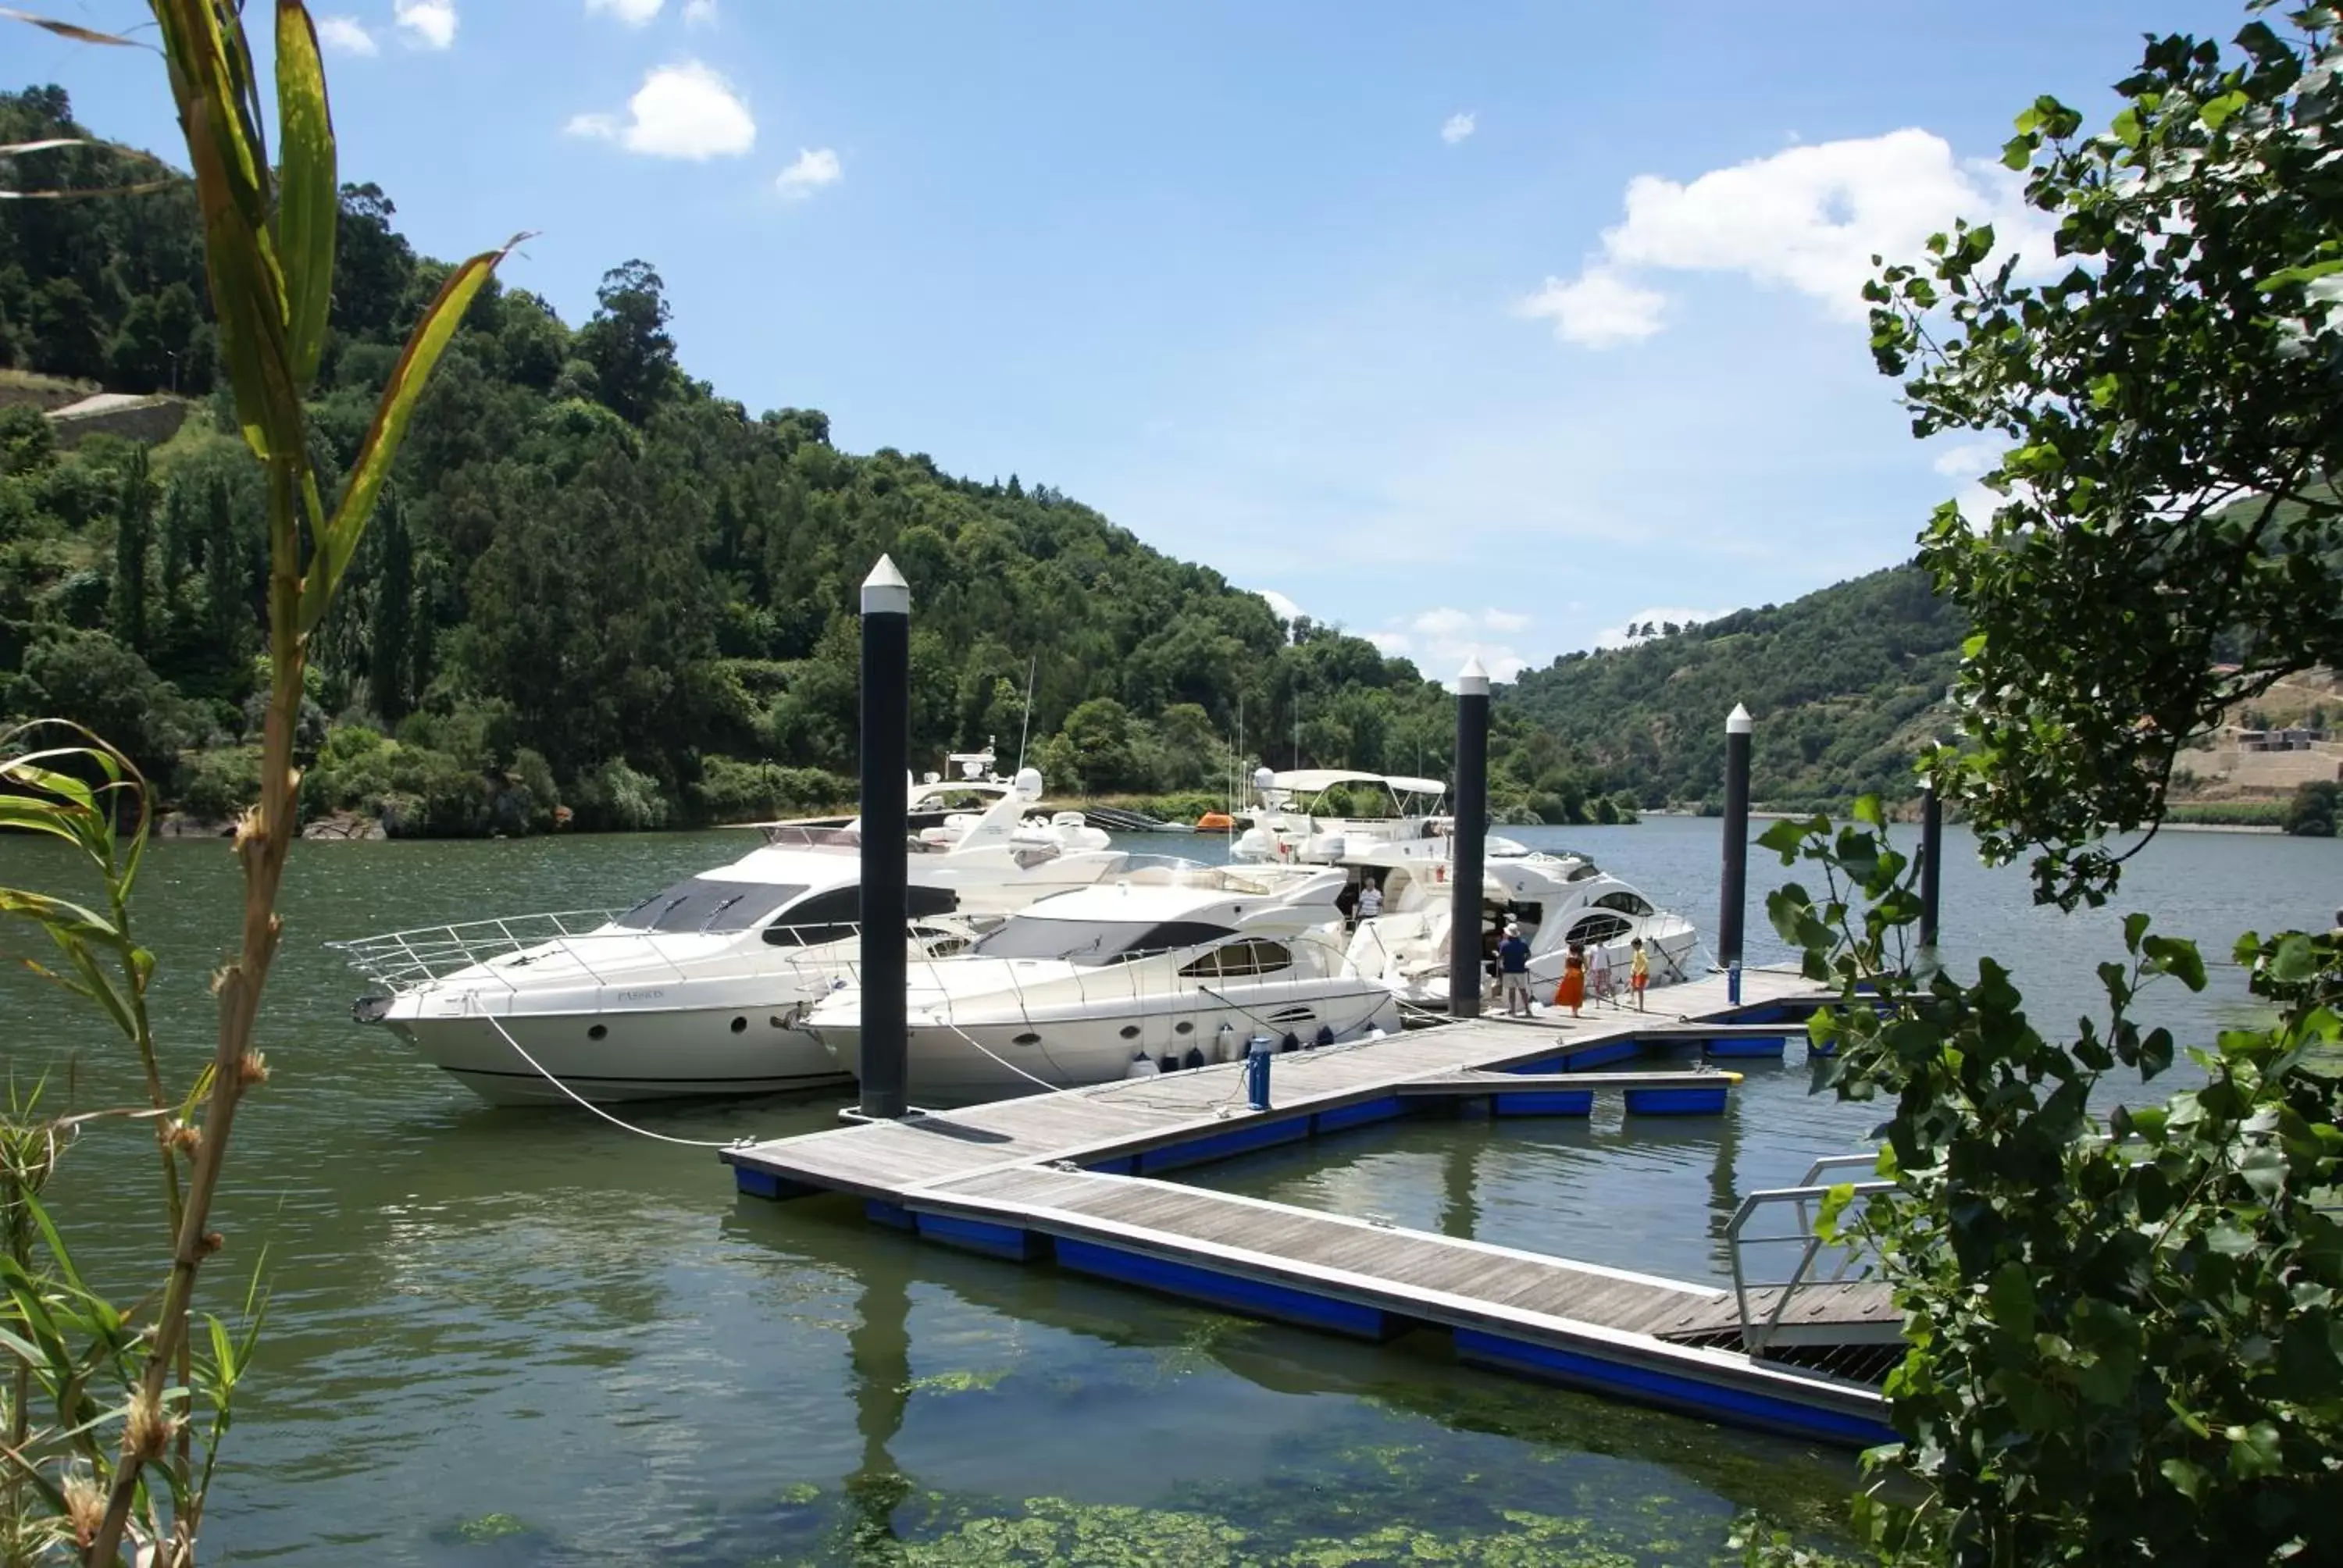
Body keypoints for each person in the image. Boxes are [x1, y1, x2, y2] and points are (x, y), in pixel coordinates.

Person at [1497, 921, 1532, 1017]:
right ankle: (1528, 1010)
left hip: (1508, 970)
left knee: (1511, 991)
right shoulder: (1523, 943)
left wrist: (1497, 955)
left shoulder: (1504, 944)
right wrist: (1523, 961)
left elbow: (1500, 957)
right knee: (1523, 991)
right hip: (1520, 970)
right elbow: (1529, 955)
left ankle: (1512, 1011)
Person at [1551, 939, 1586, 1019]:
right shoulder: (1582, 957)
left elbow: (1566, 967)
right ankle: (1575, 1013)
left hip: (1569, 974)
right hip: (1578, 975)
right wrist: (1582, 973)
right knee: (1577, 993)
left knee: (1566, 991)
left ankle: (1560, 1002)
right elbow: (1586, 968)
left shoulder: (1569, 956)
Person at [1588, 939, 1614, 1007]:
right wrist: (1590, 969)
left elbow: (1608, 960)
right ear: (1597, 941)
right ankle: (1597, 1003)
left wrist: (1610, 969)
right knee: (1597, 986)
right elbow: (1591, 959)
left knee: (1608, 984)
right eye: (1599, 940)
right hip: (1596, 969)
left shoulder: (1606, 948)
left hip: (1605, 968)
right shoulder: (1592, 948)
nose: (1600, 942)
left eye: (1601, 940)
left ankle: (1614, 999)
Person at [1628, 936, 1649, 1012]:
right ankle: (1632, 999)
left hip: (1641, 973)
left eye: (1634, 946)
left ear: (1638, 945)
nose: (1633, 948)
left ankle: (1641, 1008)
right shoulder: (1635, 952)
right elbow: (1634, 962)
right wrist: (1632, 970)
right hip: (1636, 972)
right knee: (1631, 984)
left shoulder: (1641, 952)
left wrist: (1640, 971)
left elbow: (1646, 962)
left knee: (1640, 990)